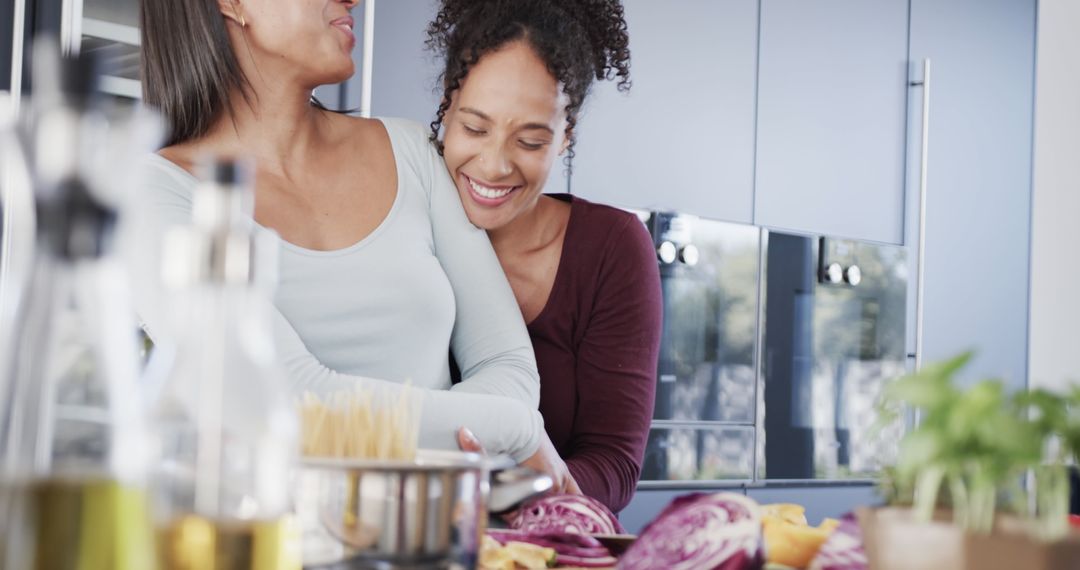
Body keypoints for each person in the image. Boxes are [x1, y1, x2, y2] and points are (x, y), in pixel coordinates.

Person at [132, 0, 555, 467]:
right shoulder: (157, 195)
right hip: (269, 537)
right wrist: (519, 432)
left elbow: (509, 367)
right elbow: (286, 407)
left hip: (435, 531)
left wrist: (495, 429)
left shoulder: (413, 151)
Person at [427, 0, 662, 513]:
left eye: (530, 141)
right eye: (474, 128)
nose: (493, 165)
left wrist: (509, 493)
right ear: (447, 107)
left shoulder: (611, 249)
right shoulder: (402, 218)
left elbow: (614, 465)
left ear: (566, 136)